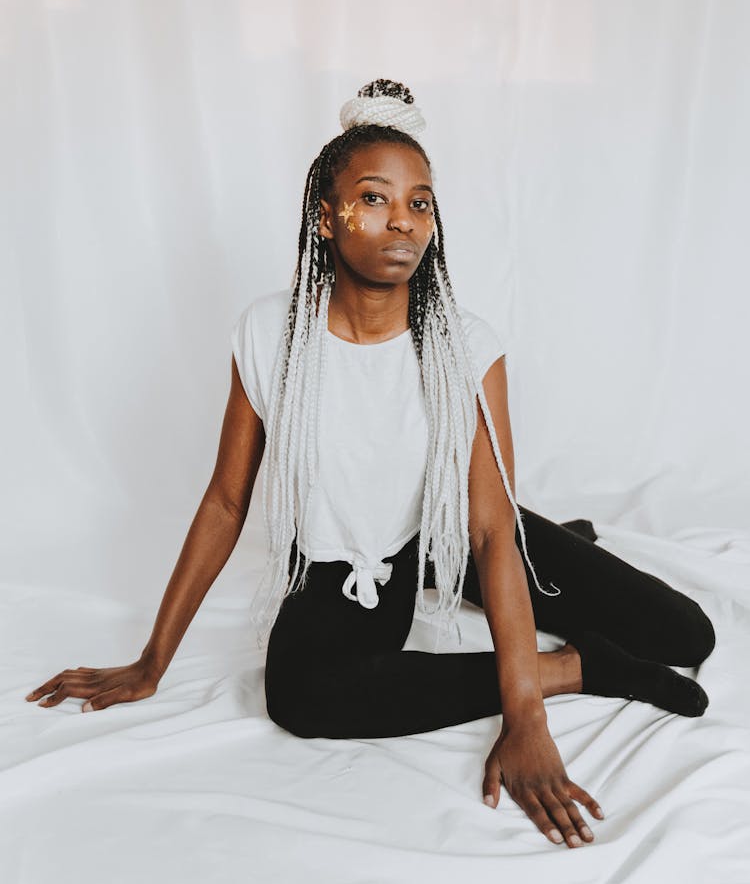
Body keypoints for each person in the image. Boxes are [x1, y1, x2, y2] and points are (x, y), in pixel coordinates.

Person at [25, 78, 716, 852]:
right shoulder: (270, 335)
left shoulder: (467, 345)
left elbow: (490, 534)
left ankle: (560, 550)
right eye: (376, 198)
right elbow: (226, 501)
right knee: (299, 694)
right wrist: (151, 662)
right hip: (352, 557)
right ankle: (578, 665)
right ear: (327, 217)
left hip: (453, 528)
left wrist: (526, 724)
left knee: (684, 633)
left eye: (420, 203)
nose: (403, 221)